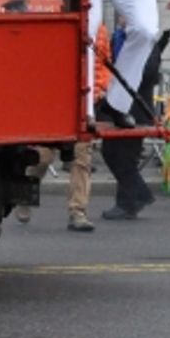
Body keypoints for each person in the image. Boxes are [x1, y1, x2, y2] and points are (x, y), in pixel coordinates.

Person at [16, 22, 100, 232]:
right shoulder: (53, 39)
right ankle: (25, 195)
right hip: (53, 108)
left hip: (81, 108)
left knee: (82, 160)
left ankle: (77, 211)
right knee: (43, 158)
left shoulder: (91, 38)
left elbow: (97, 72)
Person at [100, 26, 170, 220]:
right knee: (109, 152)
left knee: (126, 157)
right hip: (116, 108)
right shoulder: (118, 38)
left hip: (137, 110)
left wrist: (124, 70)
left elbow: (149, 74)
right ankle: (138, 195)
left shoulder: (146, 42)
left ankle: (128, 203)